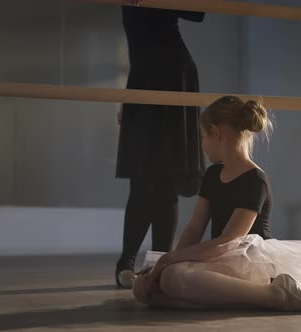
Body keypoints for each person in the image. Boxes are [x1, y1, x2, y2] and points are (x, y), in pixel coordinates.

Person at [131, 96, 301, 312]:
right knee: (142, 287)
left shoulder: (255, 180)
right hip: (220, 257)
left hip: (249, 260)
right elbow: (195, 228)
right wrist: (169, 262)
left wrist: (171, 261)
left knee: (173, 278)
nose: (203, 145)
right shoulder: (212, 175)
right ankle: (217, 300)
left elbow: (228, 242)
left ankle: (274, 294)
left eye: (203, 136)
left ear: (216, 133)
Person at [115, 3, 207, 288]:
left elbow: (198, 12)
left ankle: (158, 262)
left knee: (167, 176)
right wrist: (131, 96)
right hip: (145, 77)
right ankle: (128, 261)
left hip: (173, 76)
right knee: (143, 175)